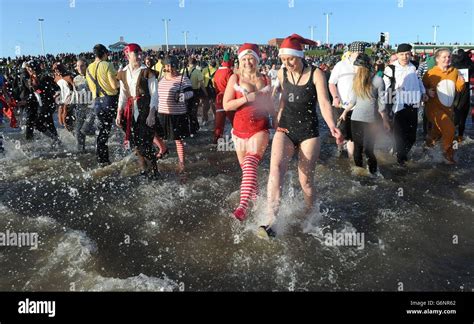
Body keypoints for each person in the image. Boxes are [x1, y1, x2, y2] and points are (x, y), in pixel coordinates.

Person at [265, 34, 343, 237]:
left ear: (299, 55)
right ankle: (271, 220)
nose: (287, 63)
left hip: (309, 131)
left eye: (290, 58)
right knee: (276, 170)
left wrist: (332, 126)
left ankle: (311, 212)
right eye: (283, 59)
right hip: (286, 128)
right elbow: (283, 99)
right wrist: (277, 118)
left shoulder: (316, 74)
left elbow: (324, 103)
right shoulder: (282, 74)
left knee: (305, 181)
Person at [223, 43, 273, 222]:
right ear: (239, 60)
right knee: (248, 172)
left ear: (257, 60)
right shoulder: (234, 78)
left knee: (251, 164)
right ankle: (259, 204)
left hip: (260, 128)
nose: (247, 62)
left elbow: (271, 106)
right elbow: (226, 105)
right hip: (239, 131)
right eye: (244, 58)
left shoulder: (266, 79)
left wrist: (280, 124)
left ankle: (242, 207)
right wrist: (247, 98)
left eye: (251, 58)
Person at [339, 54, 390, 175]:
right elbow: (353, 100)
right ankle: (359, 174)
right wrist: (345, 112)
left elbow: (382, 103)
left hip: (371, 121)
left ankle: (373, 174)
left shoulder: (378, 80)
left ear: (362, 68)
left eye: (356, 67)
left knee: (368, 149)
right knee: (357, 148)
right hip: (356, 120)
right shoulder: (356, 81)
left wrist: (385, 120)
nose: (354, 69)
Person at [116, 43, 161, 178]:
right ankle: (143, 170)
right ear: (127, 55)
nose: (140, 56)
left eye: (141, 53)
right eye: (136, 53)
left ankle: (154, 171)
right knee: (136, 143)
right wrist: (119, 112)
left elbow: (155, 94)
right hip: (130, 110)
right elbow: (123, 95)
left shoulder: (147, 72)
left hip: (146, 109)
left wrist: (152, 113)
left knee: (145, 143)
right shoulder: (123, 73)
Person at [383, 43, 427, 166]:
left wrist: (423, 92)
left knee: (412, 137)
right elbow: (385, 86)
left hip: (413, 104)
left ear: (410, 54)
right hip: (398, 105)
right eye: (401, 54)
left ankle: (400, 153)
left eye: (407, 54)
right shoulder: (391, 68)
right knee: (400, 134)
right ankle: (401, 160)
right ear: (397, 55)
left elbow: (419, 82)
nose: (404, 57)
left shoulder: (414, 67)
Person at [422, 48, 465, 164]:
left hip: (448, 109)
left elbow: (459, 89)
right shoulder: (430, 73)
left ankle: (427, 145)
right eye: (444, 57)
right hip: (434, 109)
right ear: (437, 59)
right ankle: (448, 155)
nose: (447, 59)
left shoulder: (454, 71)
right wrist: (426, 91)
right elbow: (421, 88)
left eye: (449, 57)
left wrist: (461, 81)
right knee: (450, 130)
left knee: (438, 132)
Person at [329, 42, 369, 158]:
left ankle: (352, 160)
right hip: (341, 105)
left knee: (353, 136)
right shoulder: (341, 65)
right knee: (340, 133)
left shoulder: (364, 66)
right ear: (351, 53)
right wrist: (335, 97)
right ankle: (340, 149)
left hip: (358, 106)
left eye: (362, 53)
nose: (359, 55)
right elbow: (331, 83)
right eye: (357, 53)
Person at [157, 55, 193, 175]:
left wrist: (181, 96)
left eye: (172, 66)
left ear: (176, 66)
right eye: (167, 66)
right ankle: (163, 148)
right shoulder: (161, 79)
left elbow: (190, 93)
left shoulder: (183, 79)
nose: (170, 68)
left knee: (178, 140)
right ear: (164, 67)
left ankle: (181, 163)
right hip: (161, 113)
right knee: (153, 133)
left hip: (177, 115)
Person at [85, 44, 119, 166]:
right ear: (104, 54)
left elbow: (91, 87)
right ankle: (135, 149)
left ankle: (102, 158)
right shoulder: (107, 65)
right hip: (109, 100)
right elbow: (114, 86)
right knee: (123, 123)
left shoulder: (88, 68)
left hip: (96, 102)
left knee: (102, 131)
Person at [21, 60, 61, 145]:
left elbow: (42, 90)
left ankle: (55, 139)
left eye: (29, 68)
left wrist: (54, 94)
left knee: (38, 124)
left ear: (33, 69)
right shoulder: (34, 77)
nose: (28, 70)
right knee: (49, 123)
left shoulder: (42, 77)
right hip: (45, 104)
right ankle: (57, 140)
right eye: (27, 68)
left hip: (47, 104)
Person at [72, 58, 96, 152]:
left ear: (86, 66)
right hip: (80, 107)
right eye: (78, 66)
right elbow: (75, 94)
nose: (79, 68)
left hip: (91, 106)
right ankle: (81, 152)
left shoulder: (92, 76)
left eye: (82, 66)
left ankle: (99, 132)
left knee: (85, 130)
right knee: (78, 133)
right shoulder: (76, 79)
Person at [451, 49, 473, 142]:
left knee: (455, 114)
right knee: (463, 117)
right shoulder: (470, 64)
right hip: (465, 93)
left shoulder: (453, 64)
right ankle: (460, 137)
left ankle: (451, 136)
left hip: (455, 92)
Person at [213, 52, 235, 144]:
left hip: (219, 98)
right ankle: (238, 141)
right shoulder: (229, 72)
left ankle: (216, 141)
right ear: (229, 61)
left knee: (219, 125)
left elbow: (215, 86)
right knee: (235, 122)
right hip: (228, 98)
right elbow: (233, 86)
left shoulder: (217, 72)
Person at [183, 57, 208, 135]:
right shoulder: (197, 72)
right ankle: (194, 128)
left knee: (186, 110)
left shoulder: (183, 71)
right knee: (194, 111)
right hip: (194, 93)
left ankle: (187, 128)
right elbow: (201, 84)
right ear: (196, 63)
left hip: (185, 93)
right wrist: (205, 93)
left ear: (188, 63)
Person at [53, 62, 74, 132]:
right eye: (55, 69)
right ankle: (67, 128)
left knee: (65, 114)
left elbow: (75, 87)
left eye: (58, 69)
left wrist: (72, 95)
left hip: (69, 97)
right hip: (61, 98)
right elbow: (55, 87)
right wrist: (55, 94)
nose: (56, 71)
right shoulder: (56, 78)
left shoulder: (68, 77)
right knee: (60, 119)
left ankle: (69, 127)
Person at [201, 60, 217, 126]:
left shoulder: (204, 70)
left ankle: (205, 119)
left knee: (205, 105)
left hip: (205, 89)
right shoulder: (216, 70)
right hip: (213, 89)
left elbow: (202, 80)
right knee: (213, 104)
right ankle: (215, 117)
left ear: (209, 64)